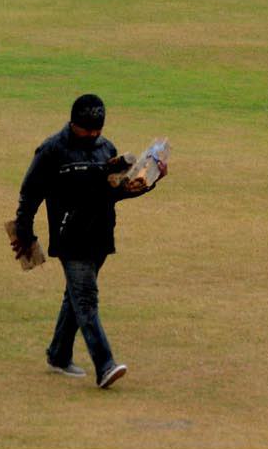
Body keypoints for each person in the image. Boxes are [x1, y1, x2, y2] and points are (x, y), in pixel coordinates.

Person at [12, 93, 166, 389]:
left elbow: (117, 192)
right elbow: (30, 193)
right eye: (88, 130)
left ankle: (58, 355)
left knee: (75, 296)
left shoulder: (106, 148)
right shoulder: (51, 151)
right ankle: (105, 364)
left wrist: (150, 180)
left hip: (100, 234)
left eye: (98, 130)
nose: (94, 135)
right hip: (70, 237)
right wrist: (24, 232)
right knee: (85, 298)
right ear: (74, 123)